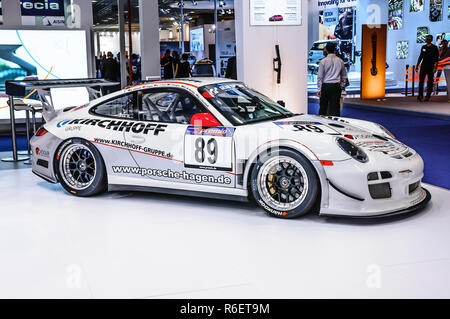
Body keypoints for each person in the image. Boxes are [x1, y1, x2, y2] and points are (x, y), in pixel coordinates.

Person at [317, 42, 348, 117]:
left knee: (323, 108)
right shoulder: (340, 60)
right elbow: (344, 76)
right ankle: (336, 123)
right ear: (334, 50)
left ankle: (323, 123)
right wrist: (342, 86)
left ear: (326, 50)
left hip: (326, 86)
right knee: (335, 108)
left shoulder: (323, 61)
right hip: (336, 86)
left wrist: (319, 89)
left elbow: (320, 77)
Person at [417, 34, 439, 102]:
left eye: (429, 39)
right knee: (421, 81)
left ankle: (427, 96)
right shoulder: (423, 47)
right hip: (423, 66)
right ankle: (420, 95)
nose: (428, 40)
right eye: (427, 39)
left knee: (430, 82)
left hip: (431, 66)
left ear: (431, 40)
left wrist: (435, 67)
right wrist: (417, 65)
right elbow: (421, 56)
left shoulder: (434, 47)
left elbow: (436, 58)